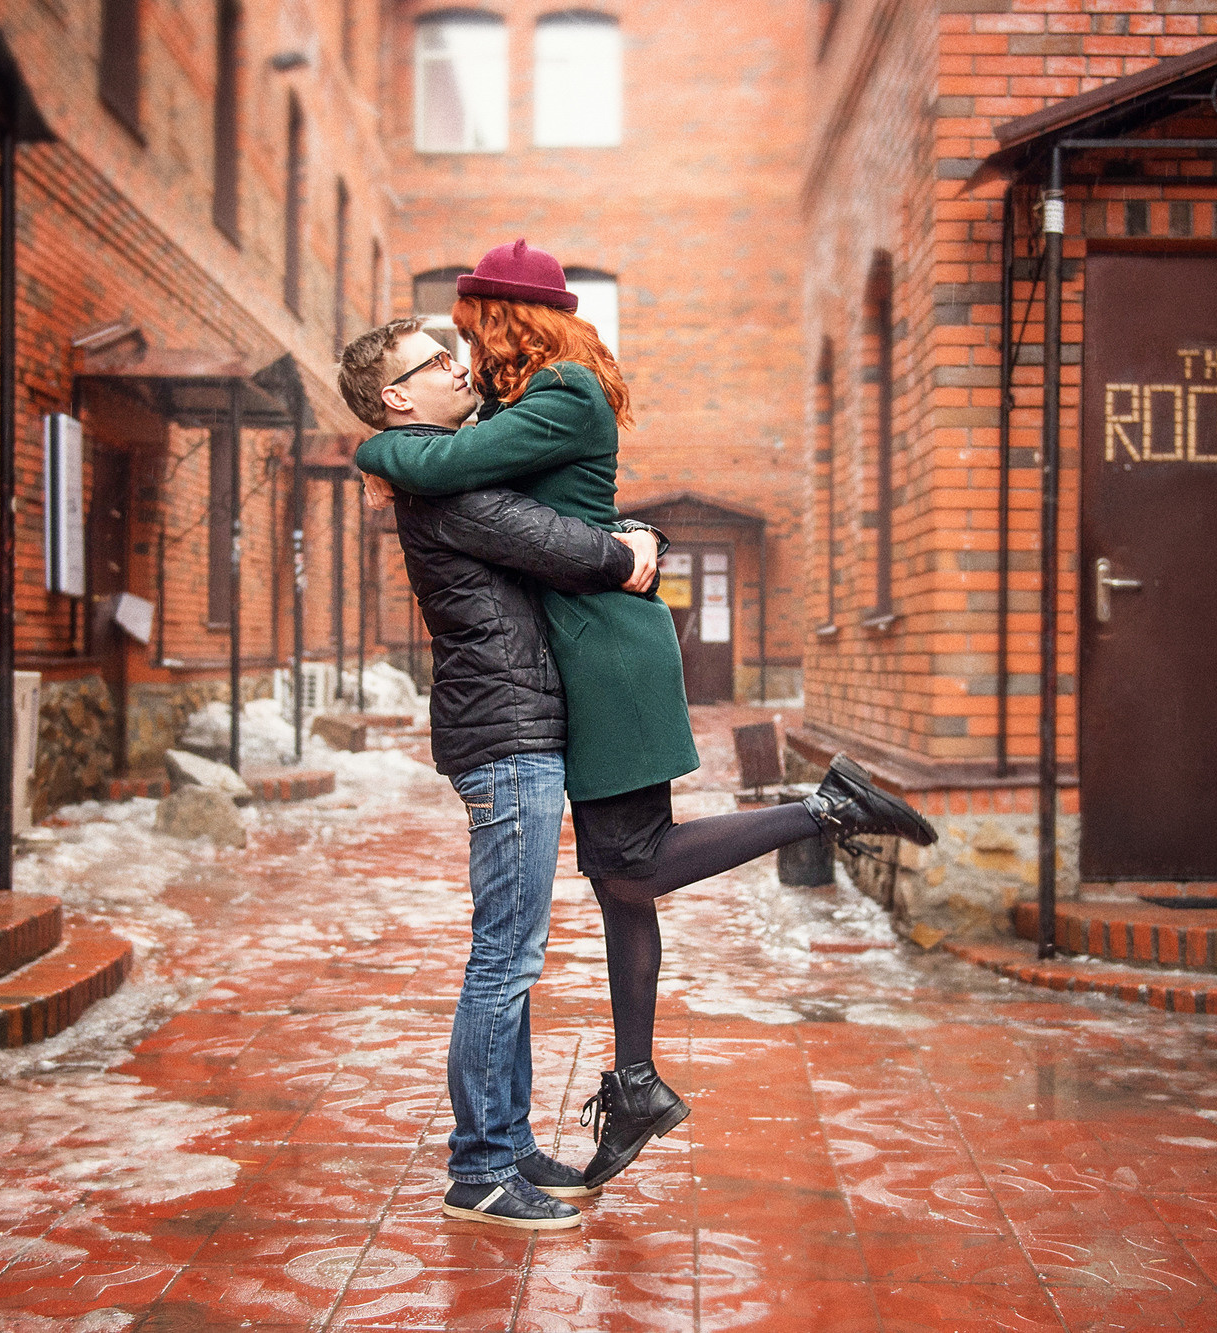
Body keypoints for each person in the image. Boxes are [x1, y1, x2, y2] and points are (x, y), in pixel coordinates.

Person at [355, 242, 940, 1192]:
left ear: (508, 320)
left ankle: (825, 811)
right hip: (579, 658)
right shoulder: (527, 401)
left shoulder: (565, 392)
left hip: (607, 653)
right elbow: (515, 485)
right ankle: (633, 1081)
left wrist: (374, 448)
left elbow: (451, 462)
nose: (464, 353)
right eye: (447, 348)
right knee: (620, 882)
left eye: (469, 332)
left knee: (634, 861)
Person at [336, 317, 667, 1231]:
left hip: (514, 726)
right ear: (398, 397)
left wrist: (628, 536)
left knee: (512, 953)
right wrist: (627, 552)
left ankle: (509, 1143)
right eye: (435, 361)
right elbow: (555, 543)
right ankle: (480, 1167)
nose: (458, 366)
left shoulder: (443, 463)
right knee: (504, 958)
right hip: (506, 733)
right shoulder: (436, 475)